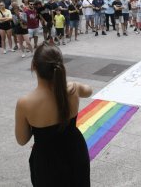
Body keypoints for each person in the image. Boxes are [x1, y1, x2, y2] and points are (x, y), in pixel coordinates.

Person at [15, 43, 93, 186]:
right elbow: (89, 91)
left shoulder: (25, 103)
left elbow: (22, 139)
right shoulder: (73, 89)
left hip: (46, 161)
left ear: (34, 66)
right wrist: (74, 84)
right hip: (75, 151)